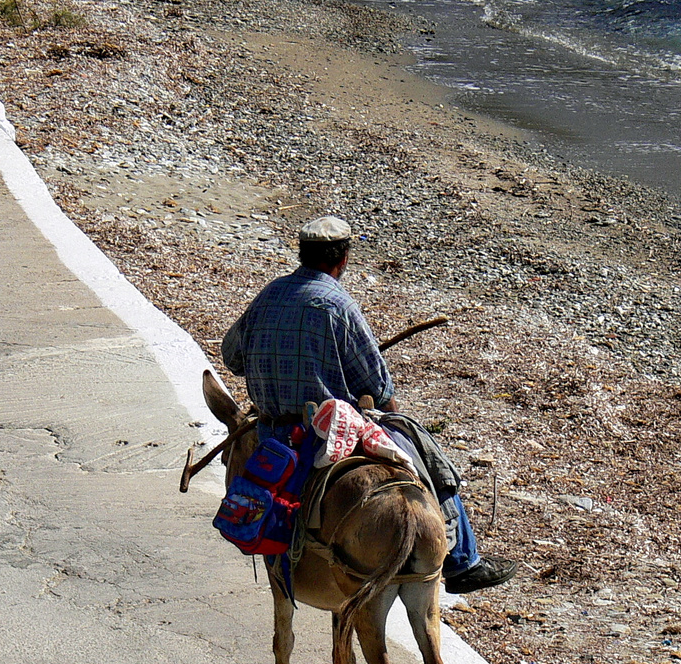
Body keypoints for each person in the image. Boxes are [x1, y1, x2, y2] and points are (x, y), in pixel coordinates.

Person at [221, 215, 516, 594]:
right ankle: (462, 563)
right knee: (423, 449)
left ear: (302, 254)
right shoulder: (338, 306)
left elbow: (232, 358)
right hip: (327, 435)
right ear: (342, 259)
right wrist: (391, 414)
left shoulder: (268, 296)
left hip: (272, 434)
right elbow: (377, 387)